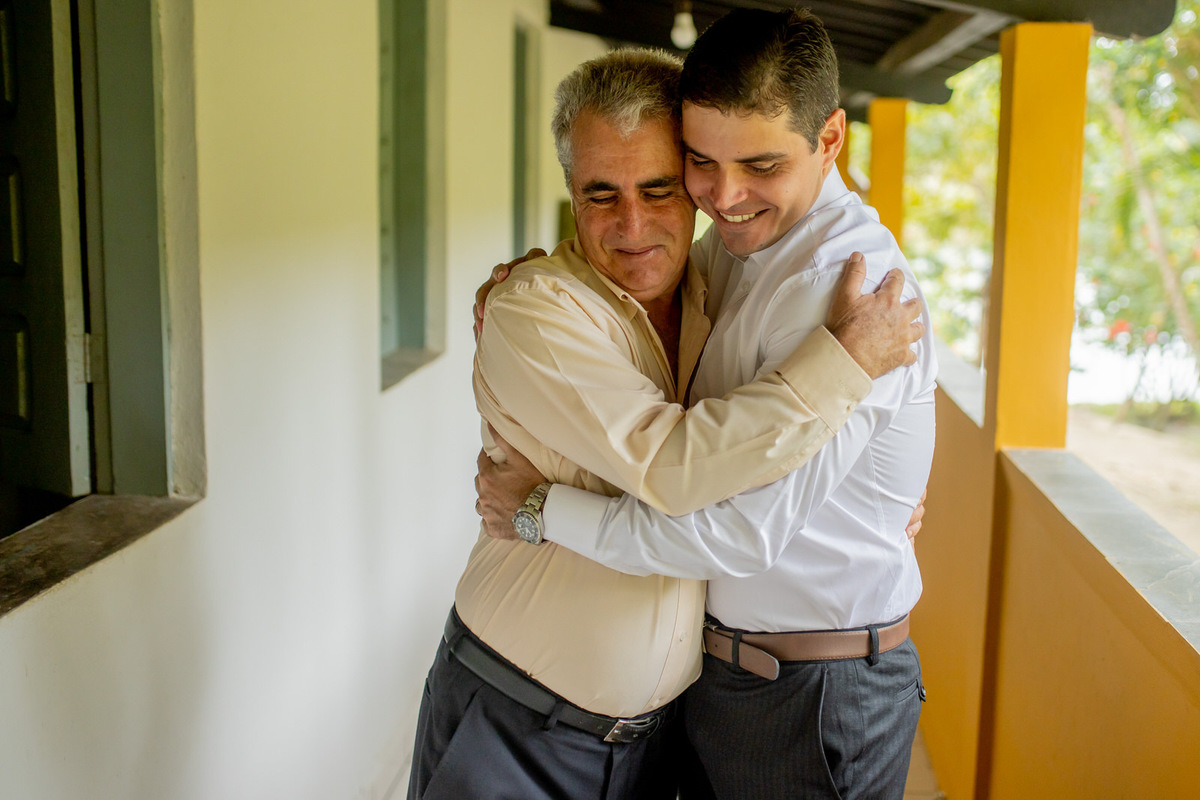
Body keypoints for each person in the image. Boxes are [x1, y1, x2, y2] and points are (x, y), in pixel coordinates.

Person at [408, 47, 922, 800]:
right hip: (520, 722)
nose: (632, 225)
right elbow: (675, 467)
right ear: (569, 193)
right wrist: (844, 366)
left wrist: (872, 495)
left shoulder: (716, 283)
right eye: (599, 194)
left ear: (691, 186)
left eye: (657, 188)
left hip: (660, 737)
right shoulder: (536, 310)